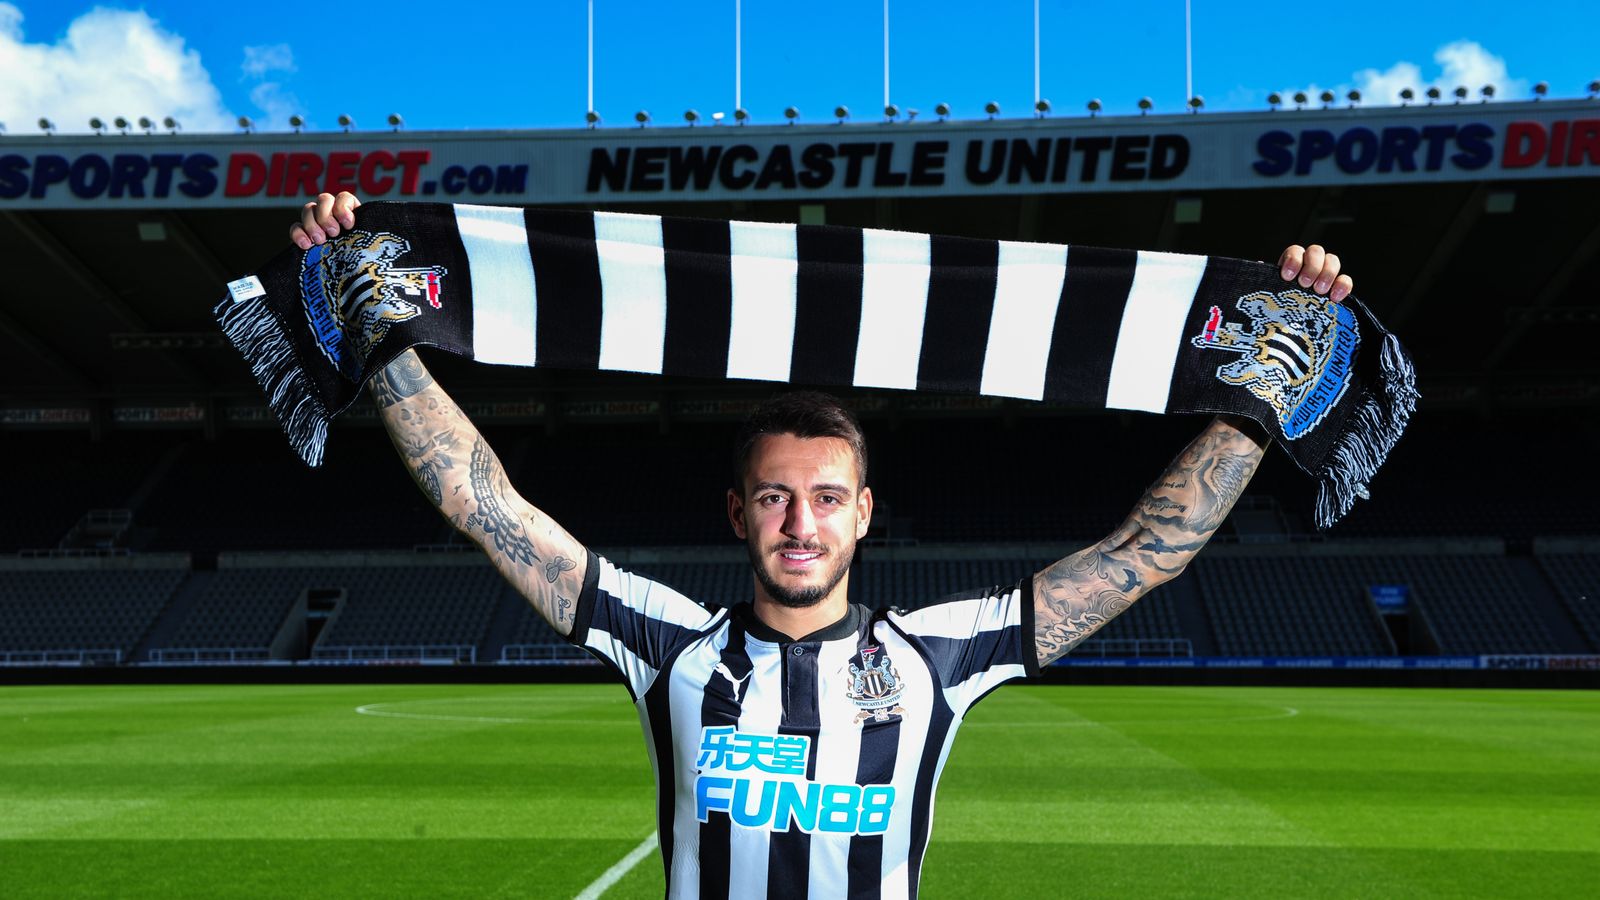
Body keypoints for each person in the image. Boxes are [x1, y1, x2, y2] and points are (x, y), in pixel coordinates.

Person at [291, 192, 1355, 899]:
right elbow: (488, 507)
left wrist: (1259, 394)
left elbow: (1146, 551)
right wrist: (376, 330)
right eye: (773, 497)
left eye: (825, 498)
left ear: (863, 514)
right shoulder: (665, 643)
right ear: (737, 513)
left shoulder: (940, 654)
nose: (800, 522)